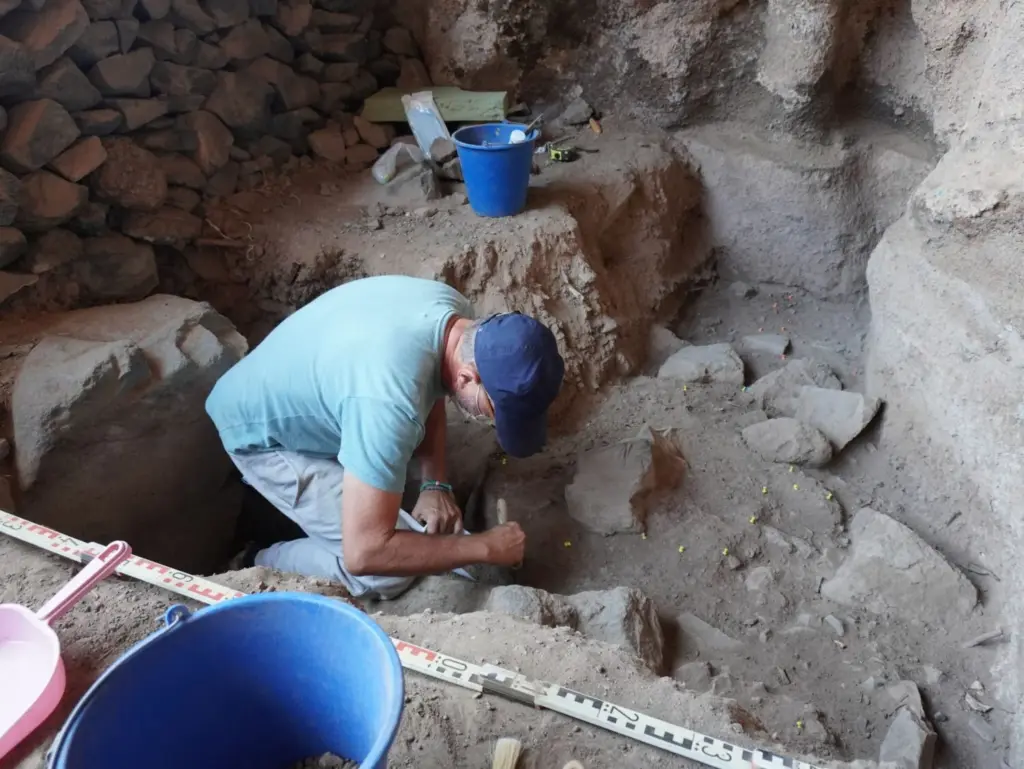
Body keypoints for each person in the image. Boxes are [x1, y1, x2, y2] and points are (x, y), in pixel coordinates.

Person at [204, 274, 565, 599]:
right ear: (468, 377)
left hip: (313, 388)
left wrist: (435, 484)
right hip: (260, 436)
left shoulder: (454, 316)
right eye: (493, 410)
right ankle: (256, 558)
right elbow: (366, 553)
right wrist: (485, 548)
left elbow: (433, 384)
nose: (490, 420)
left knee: (396, 472)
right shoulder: (389, 403)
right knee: (385, 576)